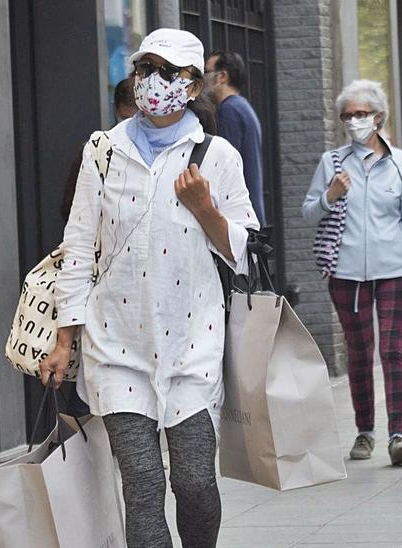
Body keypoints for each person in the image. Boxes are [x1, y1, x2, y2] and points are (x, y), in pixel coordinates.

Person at [39, 28, 258, 547]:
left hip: (193, 346)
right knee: (141, 486)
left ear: (193, 84)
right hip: (116, 347)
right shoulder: (103, 151)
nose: (153, 82)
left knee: (195, 481)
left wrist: (205, 209)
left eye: (168, 72)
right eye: (144, 69)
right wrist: (64, 337)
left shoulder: (218, 155)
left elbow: (243, 251)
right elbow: (77, 246)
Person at [302, 79, 402, 466]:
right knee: (359, 354)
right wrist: (330, 196)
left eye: (361, 114)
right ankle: (365, 431)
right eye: (348, 116)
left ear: (378, 116)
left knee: (393, 351)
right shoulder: (333, 162)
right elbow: (308, 211)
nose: (354, 121)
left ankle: (397, 435)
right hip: (346, 273)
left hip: (396, 271)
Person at [205, 51, 265, 226]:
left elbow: (225, 168)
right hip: (248, 211)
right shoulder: (242, 107)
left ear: (222, 76)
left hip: (237, 216)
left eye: (206, 72)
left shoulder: (228, 110)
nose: (202, 78)